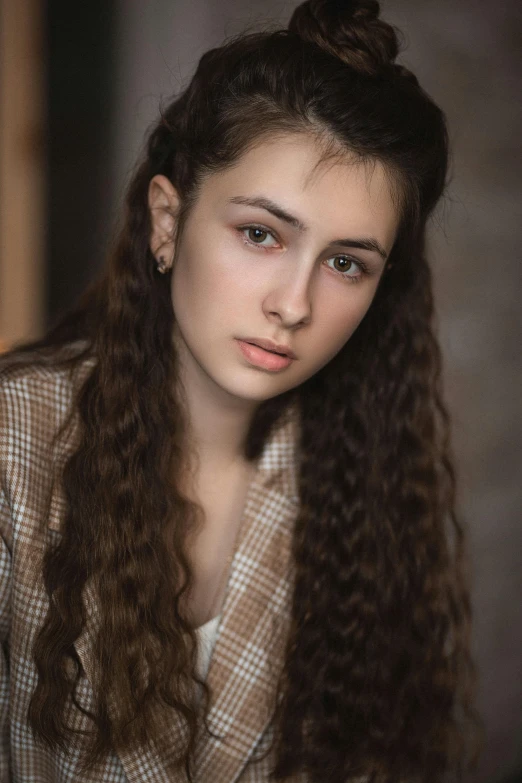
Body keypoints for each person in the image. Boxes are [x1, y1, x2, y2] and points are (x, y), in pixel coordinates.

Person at [0, 1, 481, 781]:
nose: (293, 304)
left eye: (346, 263)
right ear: (167, 220)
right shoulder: (12, 442)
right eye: (262, 233)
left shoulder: (361, 488)